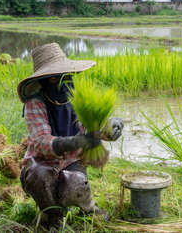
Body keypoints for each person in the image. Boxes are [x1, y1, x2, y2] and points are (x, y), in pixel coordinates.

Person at [16, 43, 124, 227]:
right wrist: (76, 142)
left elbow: (93, 129)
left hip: (72, 164)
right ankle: (53, 216)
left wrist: (111, 127)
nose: (66, 81)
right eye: (58, 78)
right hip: (41, 165)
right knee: (39, 176)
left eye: (68, 75)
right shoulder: (35, 103)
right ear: (46, 79)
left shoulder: (75, 99)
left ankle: (89, 208)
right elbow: (42, 142)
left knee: (76, 182)